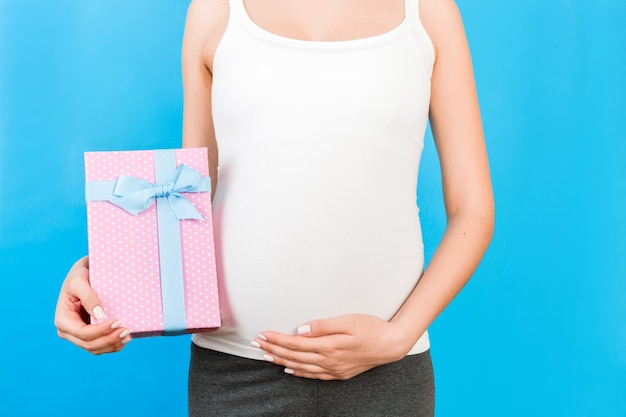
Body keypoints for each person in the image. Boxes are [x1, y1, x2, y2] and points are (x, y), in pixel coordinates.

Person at [55, 0, 494, 415]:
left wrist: (399, 336)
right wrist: (100, 281)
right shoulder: (215, 12)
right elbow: (185, 198)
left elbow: (472, 210)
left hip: (385, 371)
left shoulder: (426, 14)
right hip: (234, 371)